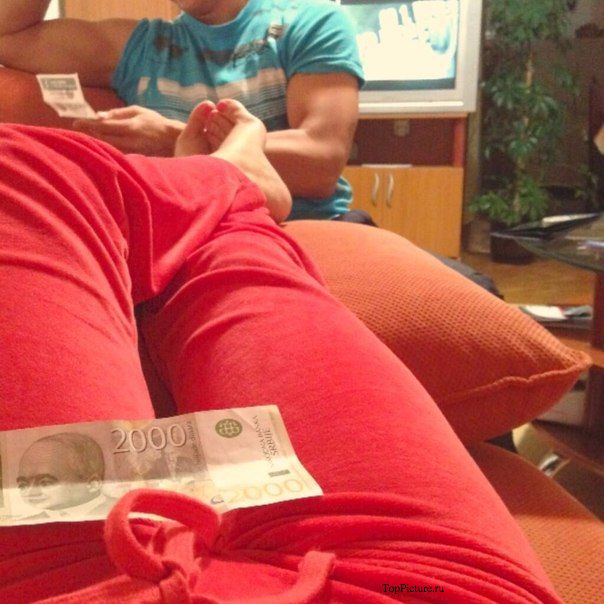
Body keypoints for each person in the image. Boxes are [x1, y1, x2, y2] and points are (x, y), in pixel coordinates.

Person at [0, 92, 562, 602]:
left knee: (25, 169)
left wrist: (170, 137)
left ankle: (225, 187)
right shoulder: (139, 40)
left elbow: (324, 151)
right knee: (218, 248)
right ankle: (235, 191)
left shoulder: (307, 33)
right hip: (414, 590)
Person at [0, 0, 363, 222]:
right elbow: (7, 37)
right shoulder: (143, 46)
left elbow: (321, 160)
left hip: (300, 227)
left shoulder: (312, 22)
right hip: (184, 235)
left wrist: (172, 140)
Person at [16, 433, 115, 520]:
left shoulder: (118, 512)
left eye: (45, 483)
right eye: (23, 485)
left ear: (92, 484)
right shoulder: (26, 525)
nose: (31, 493)